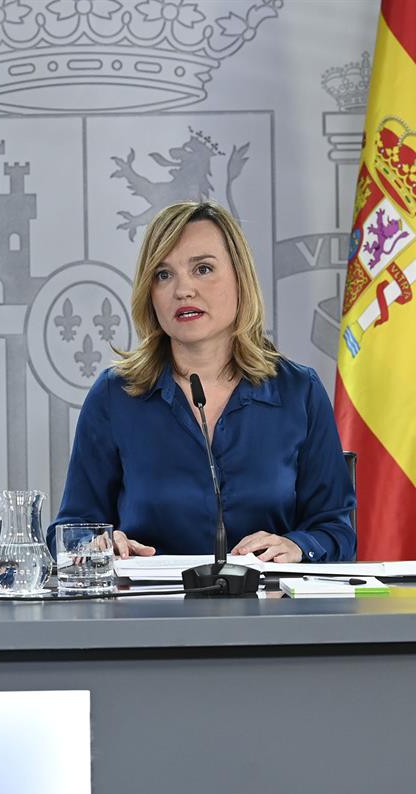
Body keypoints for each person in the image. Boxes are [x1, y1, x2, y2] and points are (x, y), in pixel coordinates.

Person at [50, 200, 354, 563]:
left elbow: (336, 532)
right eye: (163, 275)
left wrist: (298, 545)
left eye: (203, 269)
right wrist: (96, 545)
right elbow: (69, 531)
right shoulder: (116, 395)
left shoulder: (298, 391)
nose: (183, 290)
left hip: (268, 598)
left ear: (240, 278)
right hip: (150, 599)